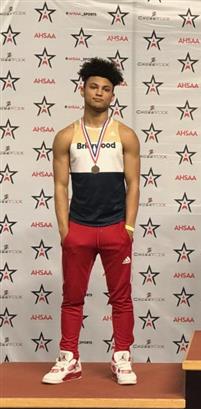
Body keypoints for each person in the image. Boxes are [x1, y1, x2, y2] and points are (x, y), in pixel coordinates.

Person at [43, 58, 141, 384]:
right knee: (72, 296)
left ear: (113, 95)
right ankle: (69, 358)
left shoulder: (125, 135)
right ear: (82, 89)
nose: (99, 93)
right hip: (79, 228)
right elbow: (59, 185)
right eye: (94, 86)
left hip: (115, 227)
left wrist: (128, 227)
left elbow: (134, 184)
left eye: (106, 89)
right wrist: (64, 229)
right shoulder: (65, 136)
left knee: (121, 297)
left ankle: (122, 357)